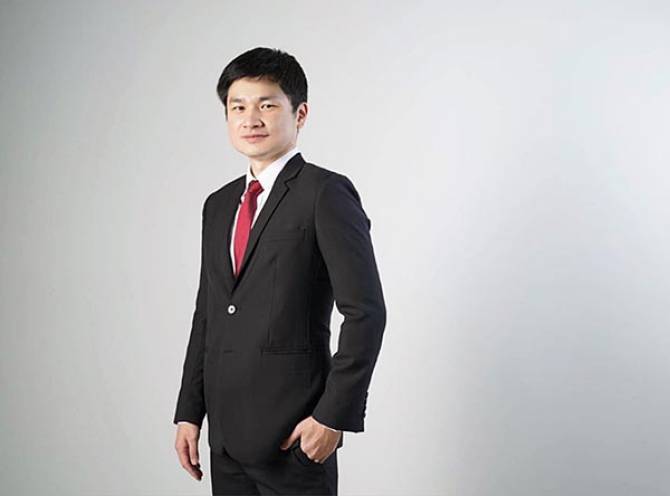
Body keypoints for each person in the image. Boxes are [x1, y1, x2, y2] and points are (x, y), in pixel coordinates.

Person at [172, 46, 386, 496]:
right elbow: (208, 314)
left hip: (294, 439)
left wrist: (332, 418)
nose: (250, 119)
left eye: (266, 105)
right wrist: (189, 413)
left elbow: (366, 312)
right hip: (225, 442)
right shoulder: (218, 205)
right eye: (238, 107)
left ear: (299, 113)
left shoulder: (325, 193)